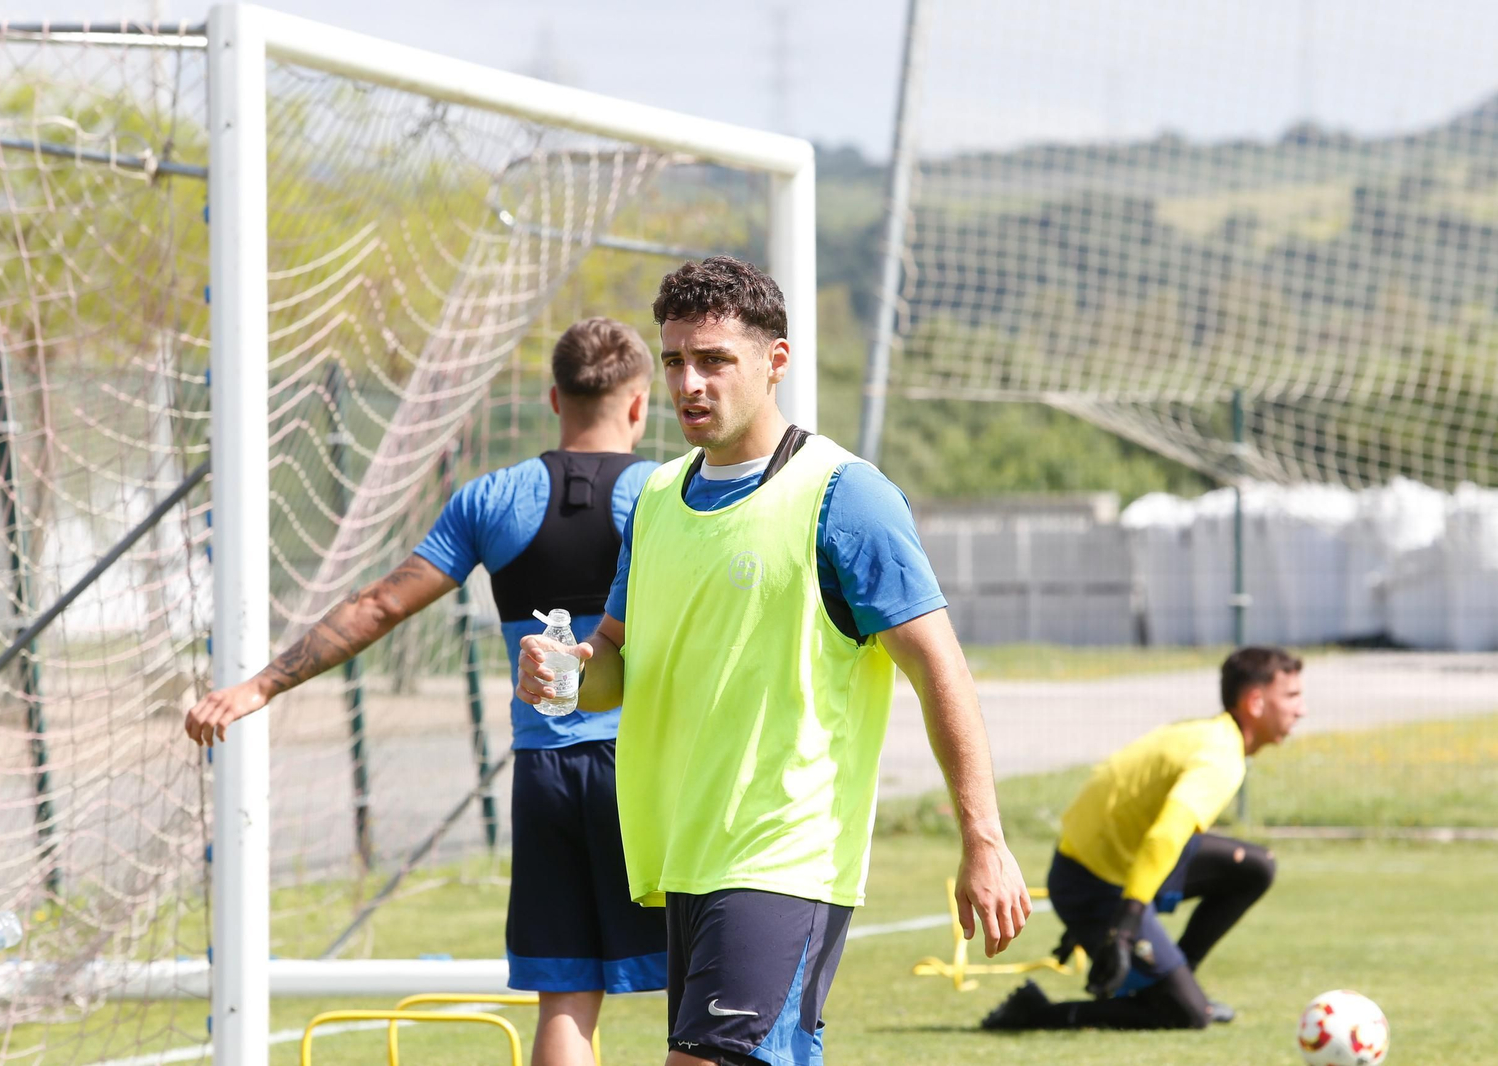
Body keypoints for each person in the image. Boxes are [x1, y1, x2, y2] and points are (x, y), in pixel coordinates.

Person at [515, 256, 1031, 1066]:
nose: (692, 382)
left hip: (785, 855)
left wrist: (984, 839)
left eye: (715, 360)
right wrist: (568, 676)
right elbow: (617, 654)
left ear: (775, 361)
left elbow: (940, 670)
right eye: (678, 359)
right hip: (683, 852)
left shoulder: (844, 495)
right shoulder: (655, 499)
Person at [183, 317, 667, 1066]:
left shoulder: (493, 498)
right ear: (639, 405)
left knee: (567, 1000)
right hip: (646, 772)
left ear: (552, 398)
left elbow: (378, 604)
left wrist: (260, 686)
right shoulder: (664, 496)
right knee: (709, 990)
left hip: (545, 777)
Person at [981, 646, 1304, 1032]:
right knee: (1188, 1015)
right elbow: (1165, 836)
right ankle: (1034, 1013)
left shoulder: (1209, 733)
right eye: (1292, 696)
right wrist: (1124, 930)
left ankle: (1173, 978)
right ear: (1255, 701)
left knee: (1255, 867)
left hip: (1105, 864)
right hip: (1090, 884)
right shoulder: (1221, 756)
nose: (1300, 710)